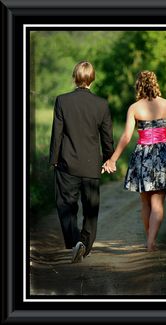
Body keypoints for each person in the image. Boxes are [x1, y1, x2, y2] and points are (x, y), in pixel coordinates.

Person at [102, 70, 166, 252]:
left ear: (138, 85)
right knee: (158, 203)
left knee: (145, 203)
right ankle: (151, 241)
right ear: (156, 84)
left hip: (143, 157)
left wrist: (112, 159)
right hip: (164, 156)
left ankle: (150, 240)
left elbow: (126, 136)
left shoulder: (134, 108)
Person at [49, 61, 114, 263]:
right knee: (91, 209)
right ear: (92, 79)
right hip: (91, 166)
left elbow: (56, 134)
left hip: (67, 164)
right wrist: (109, 159)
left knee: (65, 205)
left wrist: (54, 160)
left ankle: (75, 241)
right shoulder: (101, 104)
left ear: (74, 77)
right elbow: (107, 138)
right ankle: (85, 246)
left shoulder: (62, 101)